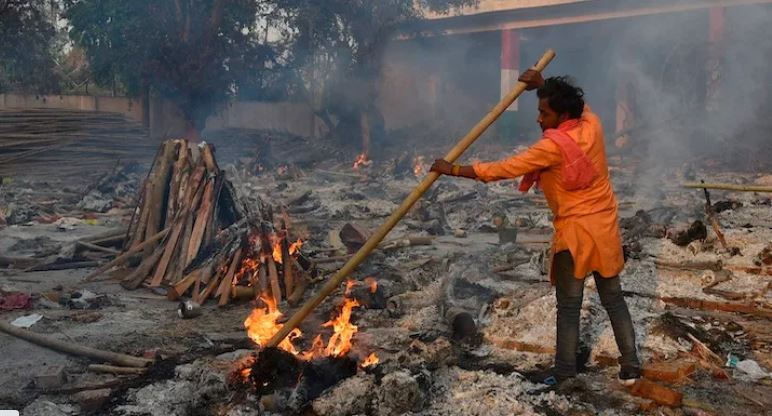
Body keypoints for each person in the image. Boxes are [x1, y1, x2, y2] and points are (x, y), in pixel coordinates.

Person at [430, 70, 641, 386]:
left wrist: (456, 170)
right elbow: (585, 108)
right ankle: (632, 365)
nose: (539, 119)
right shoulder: (592, 126)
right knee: (614, 298)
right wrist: (544, 87)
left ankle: (564, 372)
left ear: (563, 115)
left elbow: (506, 168)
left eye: (545, 113)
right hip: (606, 227)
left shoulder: (553, 148)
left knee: (569, 307)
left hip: (575, 234)